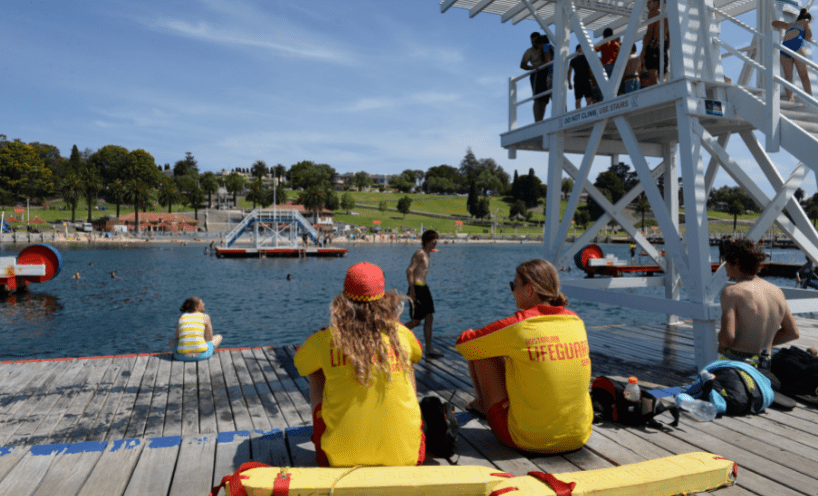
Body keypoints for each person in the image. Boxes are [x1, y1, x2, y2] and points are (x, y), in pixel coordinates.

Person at [294, 262, 424, 467]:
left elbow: (300, 363)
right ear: (385, 299)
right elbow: (418, 352)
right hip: (405, 457)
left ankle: (332, 432)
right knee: (406, 360)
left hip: (339, 459)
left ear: (343, 301)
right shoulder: (401, 334)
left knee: (316, 368)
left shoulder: (328, 338)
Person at [455, 259, 593, 454]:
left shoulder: (520, 326)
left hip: (529, 439)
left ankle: (484, 406)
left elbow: (464, 344)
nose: (512, 291)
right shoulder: (575, 321)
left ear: (529, 290)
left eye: (514, 285)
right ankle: (485, 406)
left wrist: (477, 334)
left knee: (481, 350)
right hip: (578, 436)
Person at [719, 239, 799, 369]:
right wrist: (762, 342)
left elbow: (727, 338)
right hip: (764, 364)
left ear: (737, 262)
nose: (725, 266)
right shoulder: (777, 291)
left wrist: (720, 339)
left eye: (726, 261)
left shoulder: (732, 292)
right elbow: (792, 332)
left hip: (736, 364)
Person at [405, 230, 443, 359]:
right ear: (427, 241)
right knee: (416, 321)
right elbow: (409, 271)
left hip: (424, 288)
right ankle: (394, 334)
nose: (436, 244)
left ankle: (429, 349)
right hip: (417, 288)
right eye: (434, 242)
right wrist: (412, 290)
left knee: (430, 317)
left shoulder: (427, 253)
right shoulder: (420, 253)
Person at [772, 9, 813, 102]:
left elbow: (774, 23)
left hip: (785, 47)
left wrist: (786, 24)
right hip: (797, 46)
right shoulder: (806, 21)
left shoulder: (789, 24)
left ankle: (790, 98)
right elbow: (808, 36)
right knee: (804, 75)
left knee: (788, 76)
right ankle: (810, 98)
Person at [172, 297, 223, 361]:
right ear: (196, 307)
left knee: (171, 341)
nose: (204, 304)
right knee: (219, 337)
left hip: (182, 357)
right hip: (202, 356)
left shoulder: (181, 317)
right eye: (202, 303)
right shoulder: (205, 316)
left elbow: (178, 337)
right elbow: (209, 338)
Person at [521, 33, 552, 122]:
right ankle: (538, 121)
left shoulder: (546, 46)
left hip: (549, 72)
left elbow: (548, 59)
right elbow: (523, 65)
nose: (534, 43)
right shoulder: (530, 51)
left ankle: (560, 114)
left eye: (535, 41)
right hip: (538, 74)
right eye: (532, 42)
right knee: (538, 99)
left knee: (547, 98)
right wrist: (533, 67)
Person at [641, 0, 670, 85]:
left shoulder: (653, 12)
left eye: (649, 2)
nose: (647, 4)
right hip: (663, 45)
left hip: (653, 44)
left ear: (656, 2)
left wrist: (643, 51)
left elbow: (649, 32)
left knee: (652, 74)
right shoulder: (665, 16)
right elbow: (668, 35)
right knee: (662, 75)